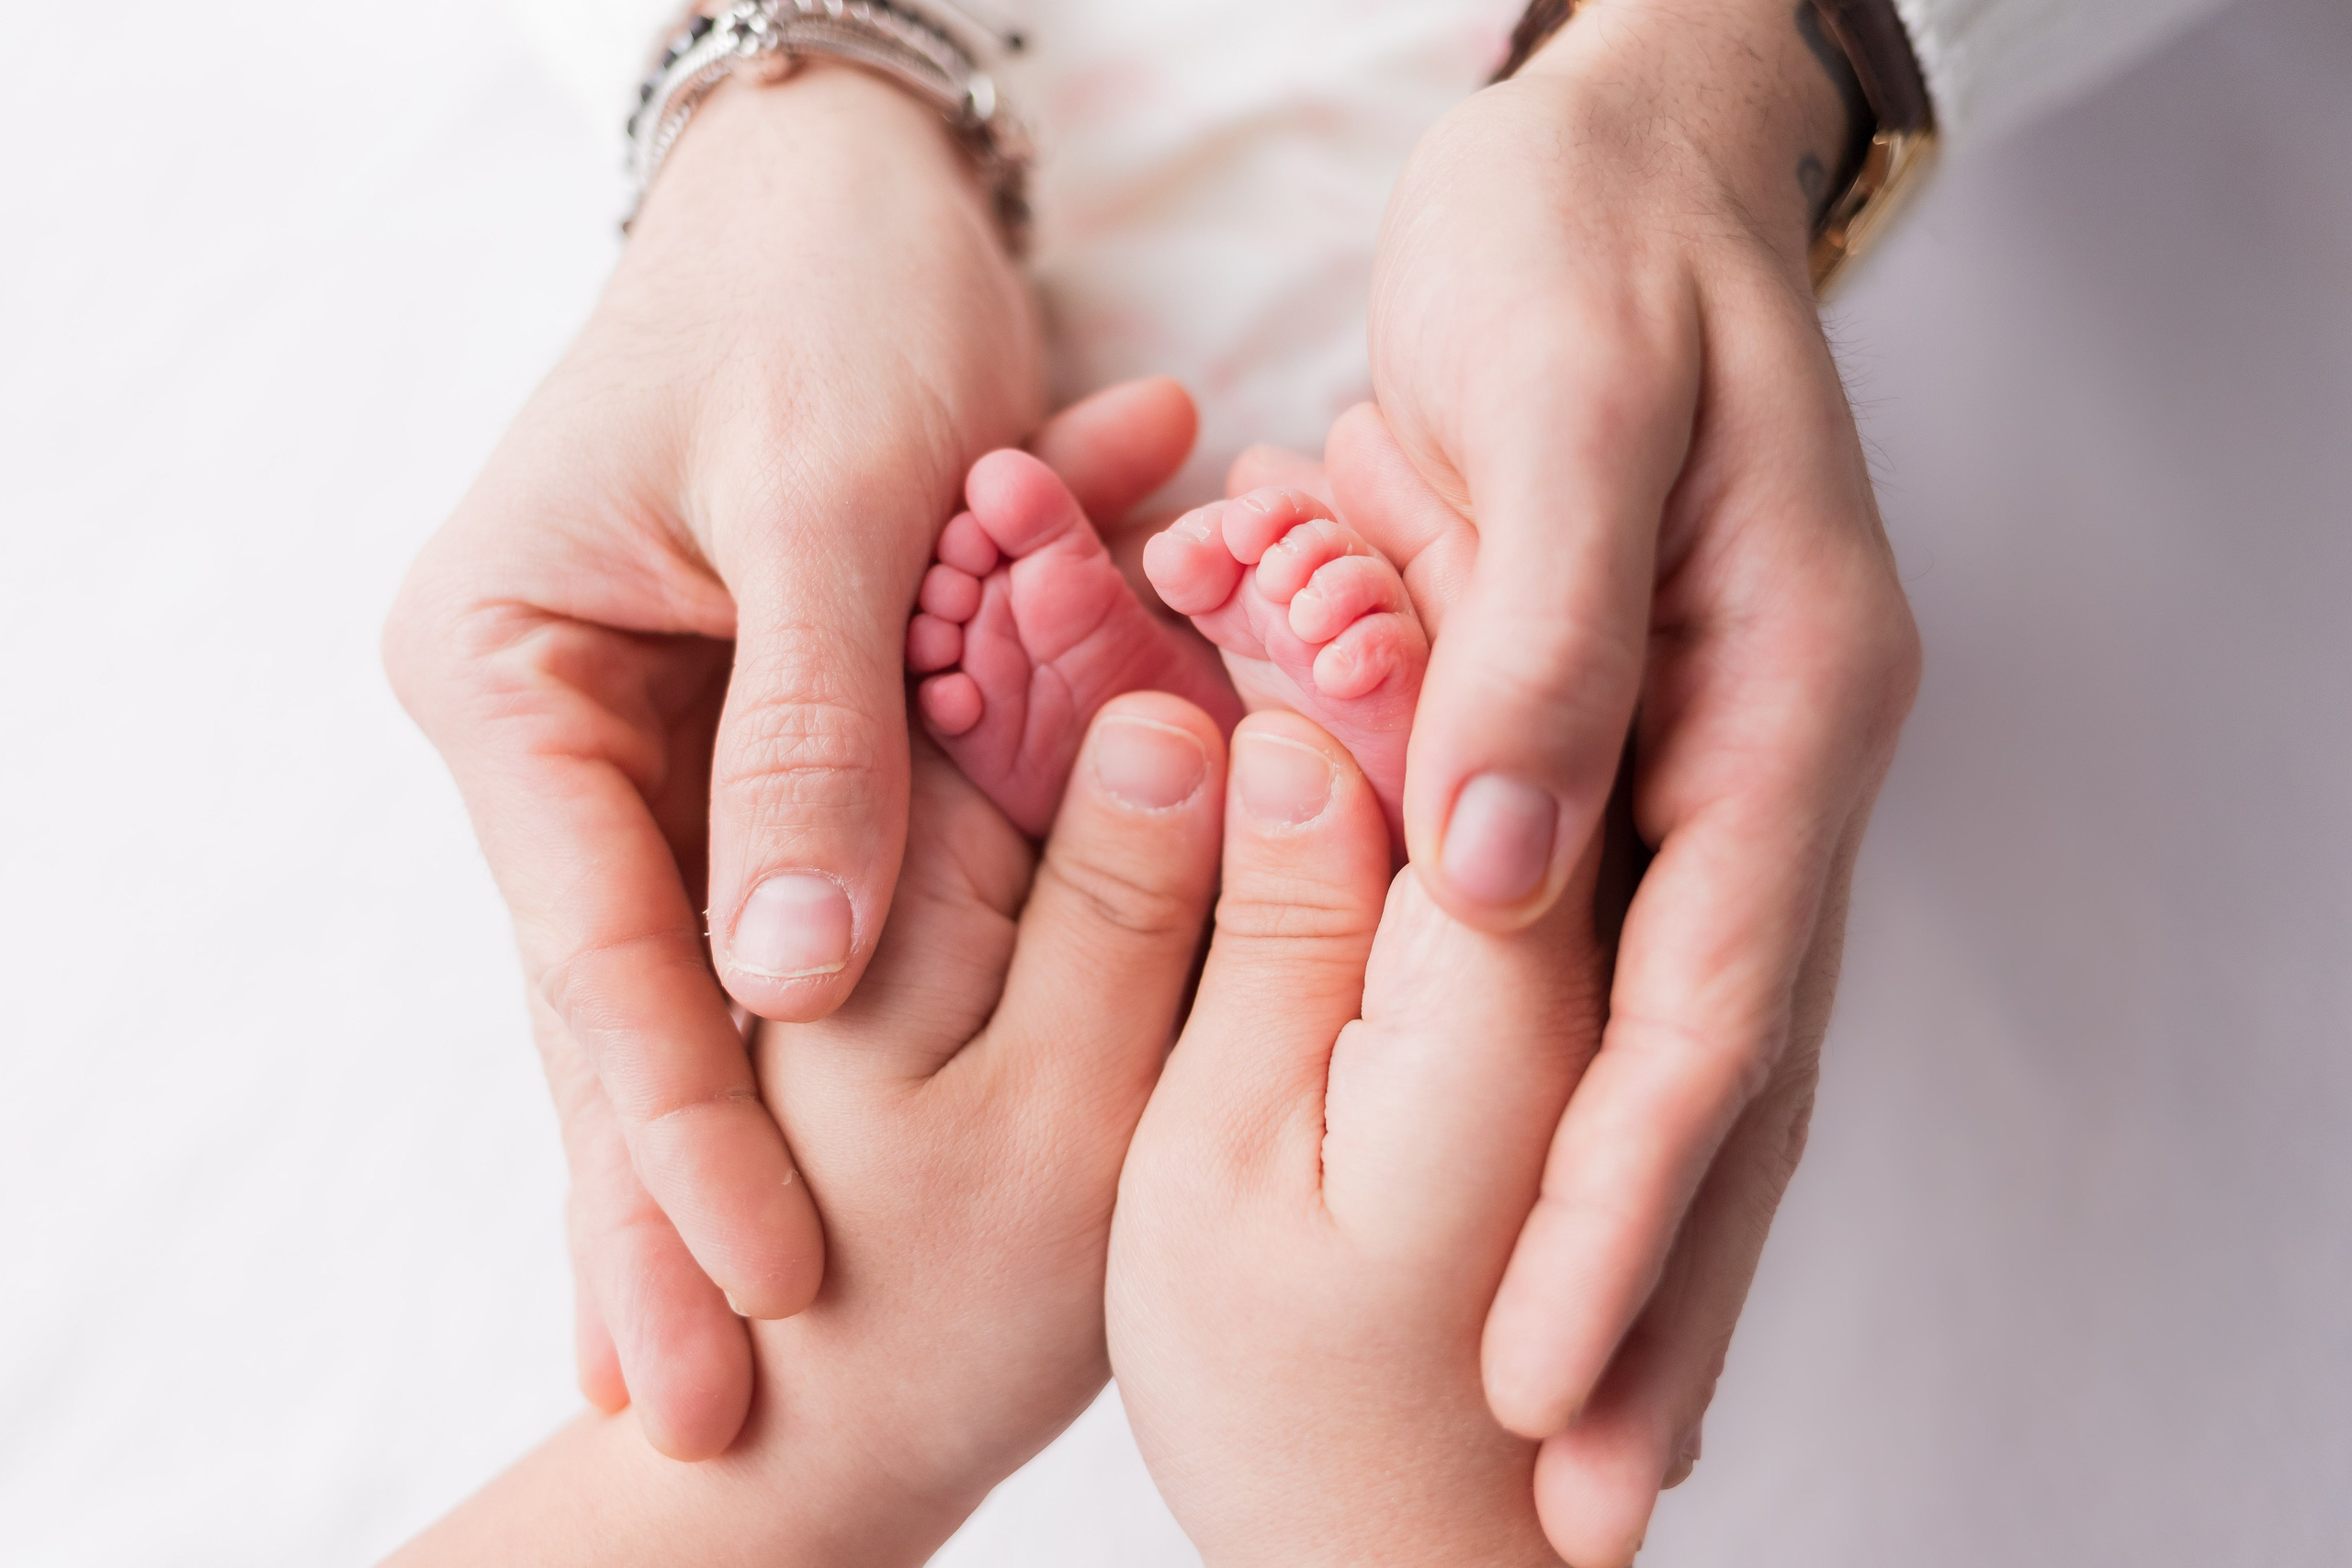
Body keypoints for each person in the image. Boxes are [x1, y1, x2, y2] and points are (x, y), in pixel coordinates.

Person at [385, 0, 2232, 1552]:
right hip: (1386, 301)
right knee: (1503, 688)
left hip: (1051, 278)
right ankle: (1389, 801)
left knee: (1457, 616)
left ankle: (1303, 757)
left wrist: (809, 1419)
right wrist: (1390, 1502)